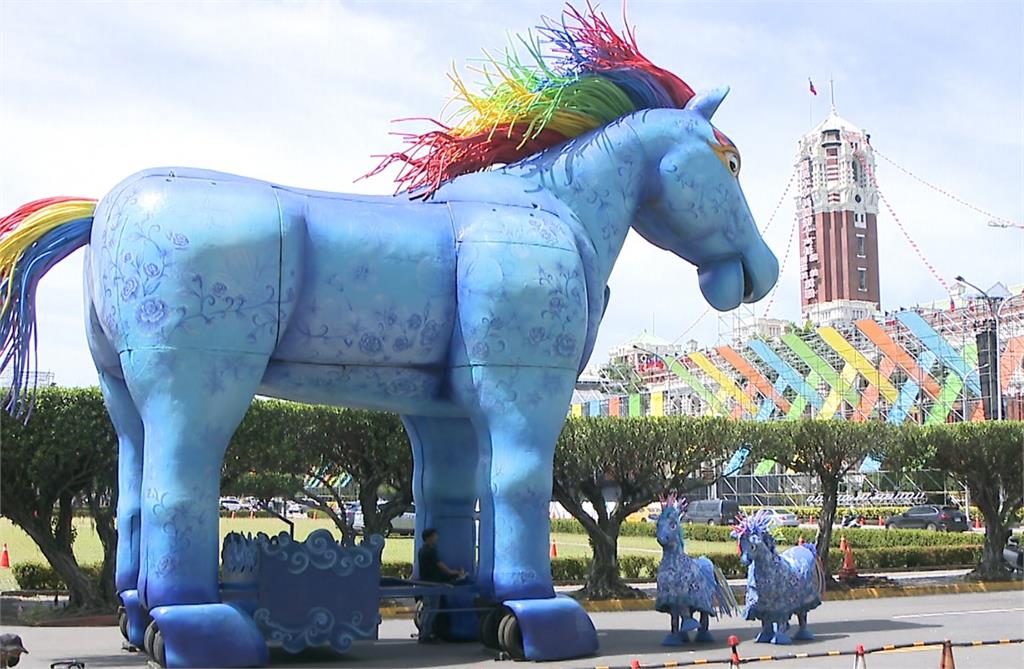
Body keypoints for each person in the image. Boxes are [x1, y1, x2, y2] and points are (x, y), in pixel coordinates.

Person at [415, 528, 466, 643]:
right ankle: (426, 636)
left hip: (425, 582)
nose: (436, 538)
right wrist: (456, 572)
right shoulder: (431, 551)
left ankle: (423, 633)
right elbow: (441, 566)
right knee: (432, 609)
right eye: (435, 536)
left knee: (427, 609)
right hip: (433, 583)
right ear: (429, 538)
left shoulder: (422, 550)